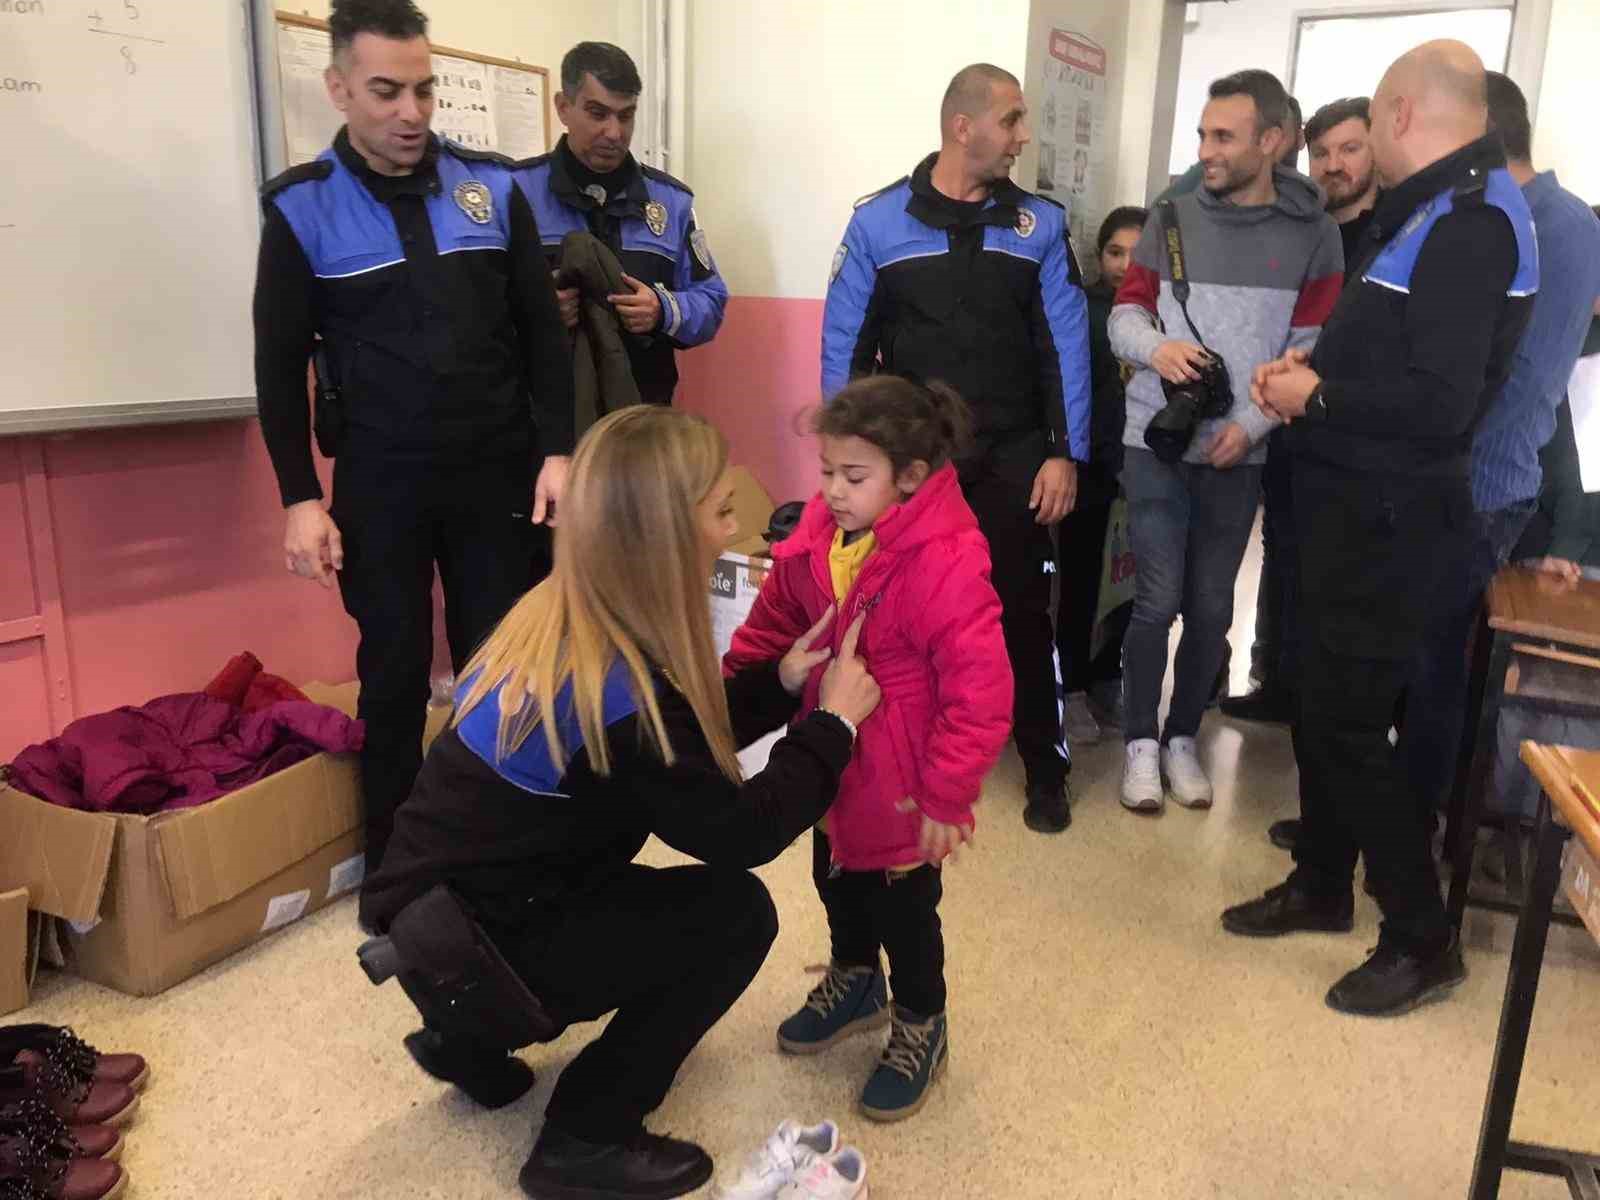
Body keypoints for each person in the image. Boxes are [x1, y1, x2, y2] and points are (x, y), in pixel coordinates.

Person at [359, 406, 882, 1200]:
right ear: (665, 536)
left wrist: (777, 686)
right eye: (721, 509)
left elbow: (667, 749)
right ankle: (585, 1134)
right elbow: (742, 831)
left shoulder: (556, 619)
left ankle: (466, 1036)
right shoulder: (622, 695)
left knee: (568, 883)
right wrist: (832, 727)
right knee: (737, 915)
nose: (734, 525)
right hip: (477, 948)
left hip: (427, 928)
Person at [1225, 41, 1540, 1018]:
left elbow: (1441, 402)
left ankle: (1420, 936)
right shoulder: (1433, 209)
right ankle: (1322, 882)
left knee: (1353, 724)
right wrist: (1312, 374)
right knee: (1322, 704)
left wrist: (1314, 398)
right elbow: (1393, 355)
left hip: (1392, 518)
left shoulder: (1472, 223)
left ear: (1400, 113)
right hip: (1353, 504)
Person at [252, 0, 573, 874]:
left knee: (499, 666)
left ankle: (502, 853)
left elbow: (542, 333)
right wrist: (299, 498)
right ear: (338, 89)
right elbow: (278, 367)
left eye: (424, 91)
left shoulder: (492, 187)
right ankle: (395, 867)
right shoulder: (301, 209)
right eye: (386, 91)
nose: (411, 112)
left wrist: (557, 451)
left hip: (496, 472)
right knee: (393, 673)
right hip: (381, 480)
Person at [725, 377, 1012, 1123]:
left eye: (854, 477)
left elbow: (980, 693)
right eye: (826, 471)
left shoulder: (947, 560)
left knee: (907, 917)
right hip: (832, 761)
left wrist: (947, 796)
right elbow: (772, 622)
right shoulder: (816, 536)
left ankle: (921, 1022)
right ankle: (855, 980)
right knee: (835, 882)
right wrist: (731, 695)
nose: (833, 491)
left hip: (905, 784)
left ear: (909, 477)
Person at [821, 63, 1091, 835]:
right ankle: (892, 754)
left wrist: (1063, 451)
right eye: (1011, 120)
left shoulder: (1039, 226)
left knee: (1022, 615)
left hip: (1015, 457)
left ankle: (1046, 768)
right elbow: (846, 348)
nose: (1023, 136)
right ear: (963, 127)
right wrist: (850, 467)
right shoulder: (877, 225)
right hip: (917, 465)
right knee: (896, 613)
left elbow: (1064, 346)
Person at [1109, 69, 1342, 814]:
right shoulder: (1170, 217)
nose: (1205, 150)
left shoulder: (1316, 236)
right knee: (1155, 601)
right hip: (1156, 440)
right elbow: (1123, 315)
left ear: (1271, 141)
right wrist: (1157, 349)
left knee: (1211, 607)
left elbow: (1312, 347)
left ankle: (1182, 737)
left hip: (1241, 450)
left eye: (1223, 136)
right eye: (1202, 134)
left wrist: (1251, 425)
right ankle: (1139, 744)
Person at [1399, 72, 1600, 837]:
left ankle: (1410, 828)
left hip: (1478, 480)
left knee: (1433, 662)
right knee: (1427, 656)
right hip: (1473, 473)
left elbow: (1497, 372)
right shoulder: (1545, 217)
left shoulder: (1543, 224)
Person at [1225, 96, 1381, 735]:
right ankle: (1276, 681)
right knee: (1283, 551)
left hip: (1354, 434)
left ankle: (1324, 705)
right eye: (1322, 152)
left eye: (1350, 149)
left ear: (1377, 151)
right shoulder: (1297, 231)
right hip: (1284, 424)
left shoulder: (1389, 240)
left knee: (1335, 572)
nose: (1334, 164)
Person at [519, 42, 727, 407]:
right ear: (563, 107)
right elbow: (476, 309)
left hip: (642, 417)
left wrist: (662, 309)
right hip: (547, 417)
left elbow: (710, 302)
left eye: (626, 115)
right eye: (598, 113)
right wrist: (535, 309)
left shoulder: (672, 202)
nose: (614, 132)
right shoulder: (516, 193)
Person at [1058, 206, 1148, 745]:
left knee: (1131, 582)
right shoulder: (1082, 310)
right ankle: (1070, 685)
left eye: (1137, 254)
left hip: (1145, 472)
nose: (1124, 265)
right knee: (1081, 581)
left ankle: (1107, 678)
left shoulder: (1165, 316)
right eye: (1115, 252)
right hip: (1090, 471)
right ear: (1100, 255)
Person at [1155, 87, 1303, 203]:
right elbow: (1162, 209)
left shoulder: (1304, 197)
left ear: (1300, 138)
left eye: (1277, 136)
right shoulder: (1215, 170)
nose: (1268, 144)